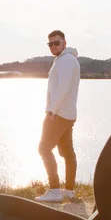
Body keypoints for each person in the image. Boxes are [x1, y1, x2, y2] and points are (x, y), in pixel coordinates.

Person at [35, 30, 80, 202]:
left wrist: (52, 110)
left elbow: (63, 87)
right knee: (67, 152)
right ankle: (69, 190)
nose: (53, 46)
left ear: (64, 43)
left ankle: (54, 190)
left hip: (59, 113)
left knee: (44, 149)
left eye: (56, 42)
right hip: (67, 113)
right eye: (50, 44)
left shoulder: (66, 60)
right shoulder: (65, 60)